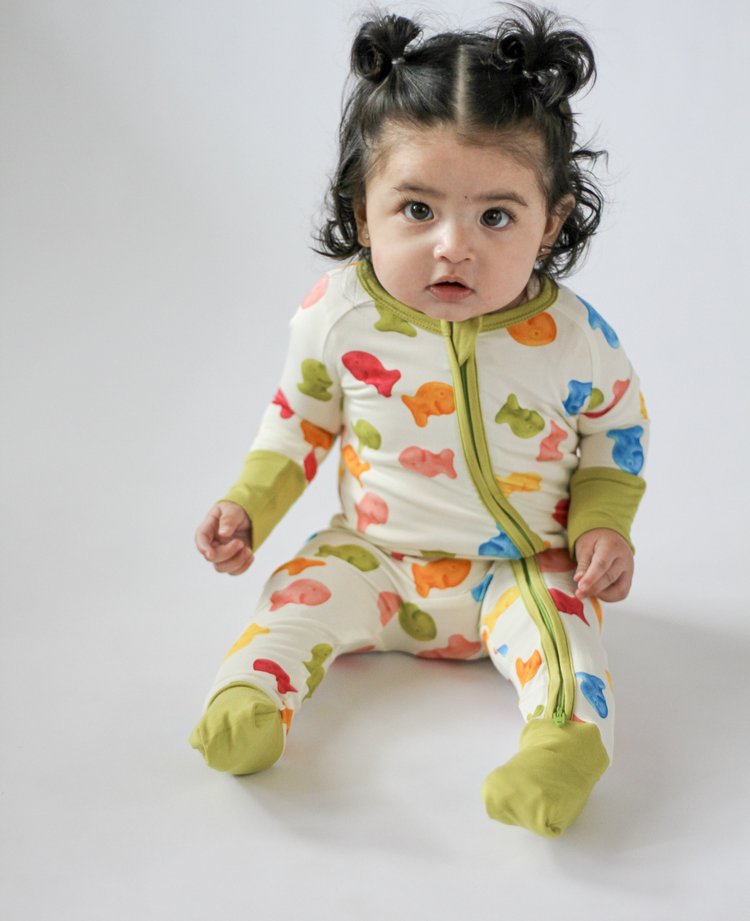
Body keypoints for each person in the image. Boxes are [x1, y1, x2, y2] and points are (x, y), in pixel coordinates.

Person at [190, 5, 649, 838]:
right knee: (292, 600)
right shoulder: (338, 316)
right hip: (375, 558)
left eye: (496, 216)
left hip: (520, 571)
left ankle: (562, 746)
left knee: (573, 648)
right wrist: (247, 508)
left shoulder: (575, 341)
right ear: (362, 210)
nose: (453, 247)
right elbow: (298, 425)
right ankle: (249, 697)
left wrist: (601, 530)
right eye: (416, 210)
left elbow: (614, 442)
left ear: (551, 220)